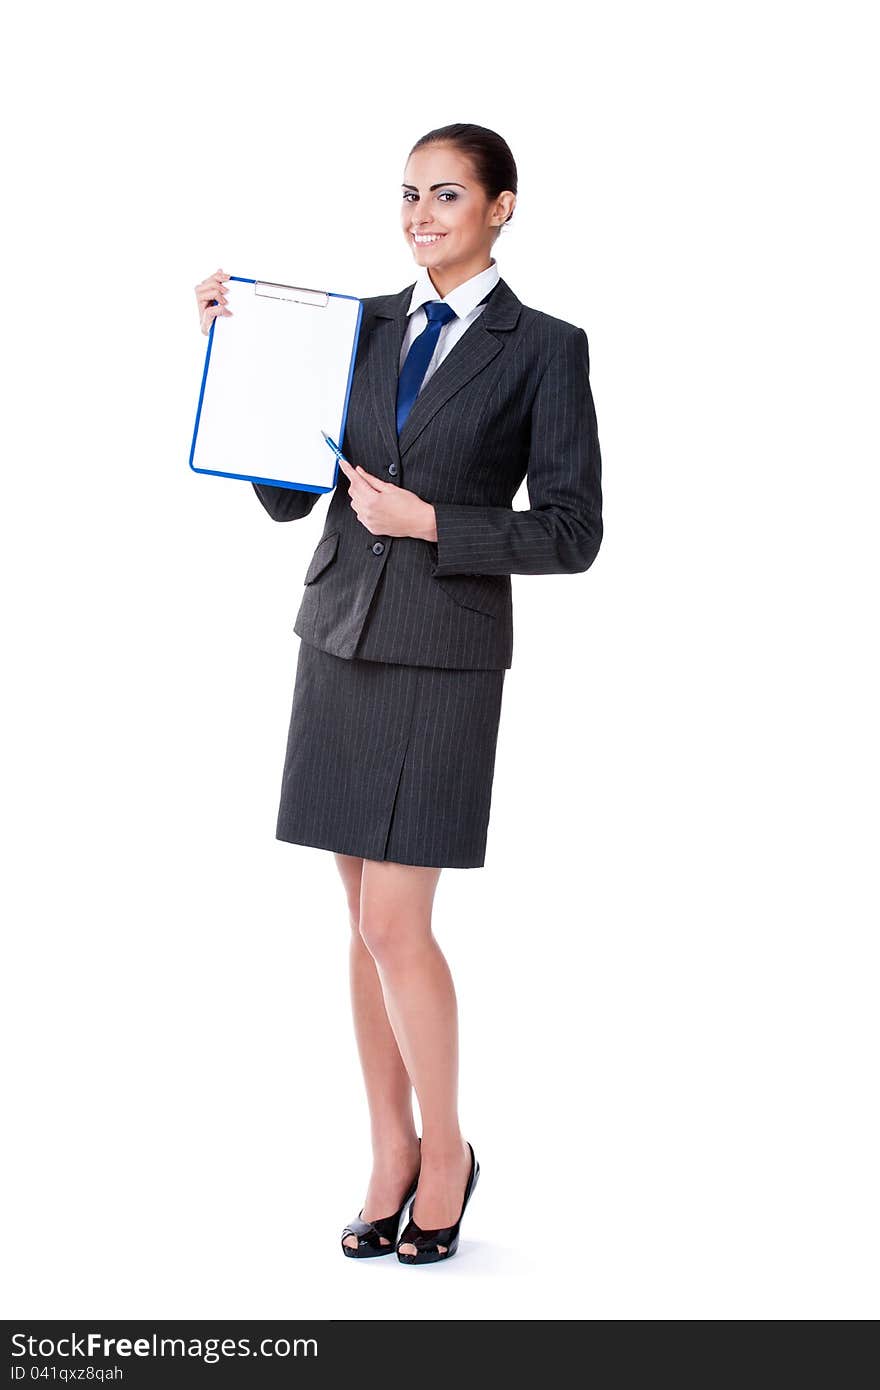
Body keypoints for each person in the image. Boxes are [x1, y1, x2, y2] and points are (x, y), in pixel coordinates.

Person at [194, 123, 603, 1265]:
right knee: (360, 924)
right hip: (336, 635)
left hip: (443, 651)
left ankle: (450, 1150)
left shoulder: (544, 348)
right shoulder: (355, 326)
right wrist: (241, 362)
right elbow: (288, 493)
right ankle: (388, 1147)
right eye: (409, 194)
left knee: (393, 920)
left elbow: (574, 531)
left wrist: (433, 522)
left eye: (448, 194)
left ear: (502, 206)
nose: (422, 213)